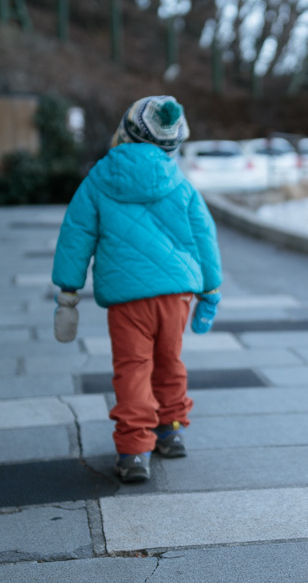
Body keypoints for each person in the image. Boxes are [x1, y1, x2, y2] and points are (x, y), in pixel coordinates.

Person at [52, 95, 222, 483]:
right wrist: (211, 291)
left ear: (125, 133)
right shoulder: (180, 183)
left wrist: (68, 294)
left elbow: (76, 234)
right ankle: (171, 431)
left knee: (132, 370)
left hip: (127, 301)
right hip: (177, 297)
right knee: (170, 362)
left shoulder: (99, 178)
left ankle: (133, 452)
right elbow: (204, 238)